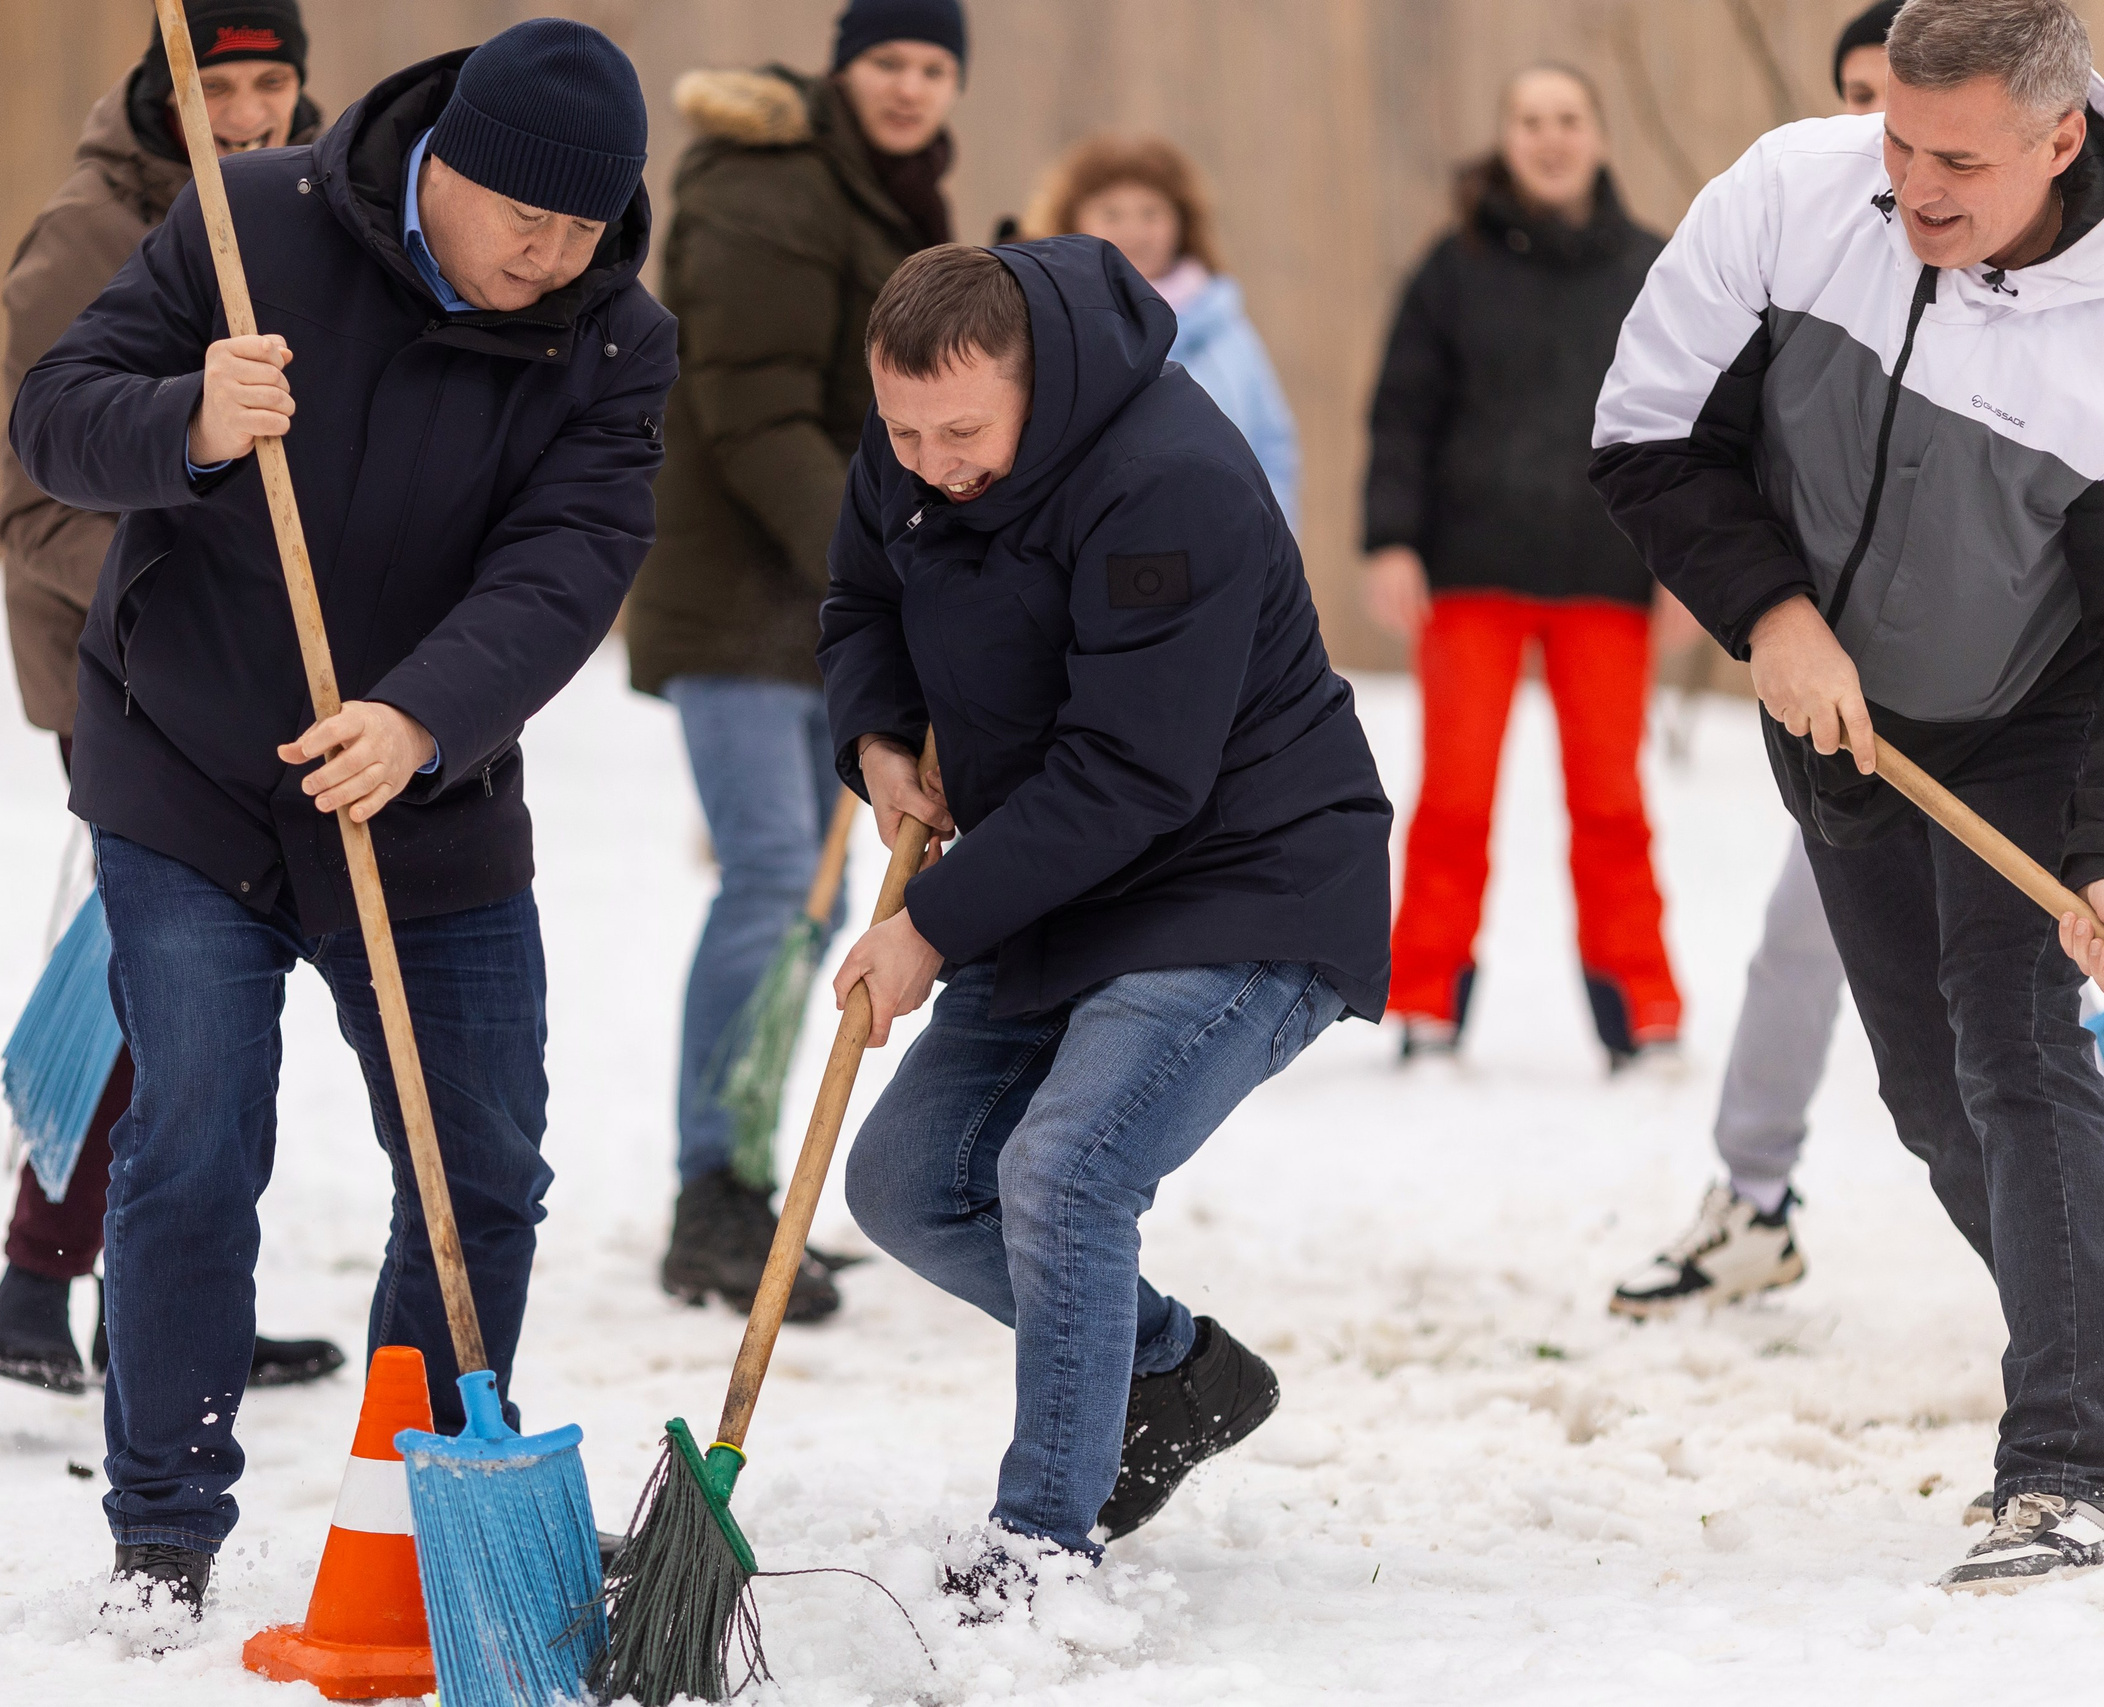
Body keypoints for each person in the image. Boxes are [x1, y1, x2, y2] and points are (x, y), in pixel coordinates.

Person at [10, 19, 677, 1612]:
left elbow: (573, 558)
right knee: (199, 1133)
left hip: (421, 789)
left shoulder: (611, 339)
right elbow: (53, 420)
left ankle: (417, 1503)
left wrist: (427, 714)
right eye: (530, 215)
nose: (555, 251)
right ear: (449, 165)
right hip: (194, 772)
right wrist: (185, 416)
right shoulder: (252, 224)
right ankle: (163, 1523)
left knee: (484, 1165)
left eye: (587, 227)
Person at [1592, 0, 2104, 1591]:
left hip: (2043, 709)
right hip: (1826, 702)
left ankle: (2068, 1461)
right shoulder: (1790, 194)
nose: (1914, 188)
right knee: (1934, 1098)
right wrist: (1773, 610)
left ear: (2063, 136)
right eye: (1895, 136)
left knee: (2018, 1054)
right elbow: (1644, 431)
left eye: (1959, 159)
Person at [821, 239, 1391, 1604]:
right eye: (903, 431)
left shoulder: (1165, 480)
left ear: (1039, 381)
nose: (928, 460)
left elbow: (1137, 770)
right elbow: (859, 603)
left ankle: (1037, 1543)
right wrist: (879, 738)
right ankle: (1175, 1367)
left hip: (1241, 879)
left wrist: (930, 926)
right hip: (1056, 878)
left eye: (960, 432)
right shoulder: (915, 436)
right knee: (905, 1182)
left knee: (1065, 1173)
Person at [0, 0, 343, 1400]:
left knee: (183, 976)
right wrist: (195, 576)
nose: (248, 112)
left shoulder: (304, 212)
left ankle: (144, 1297)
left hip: (249, 658)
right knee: (161, 971)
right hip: (116, 650)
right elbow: (36, 502)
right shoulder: (88, 234)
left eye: (273, 79)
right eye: (219, 85)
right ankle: (51, 1275)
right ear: (162, 90)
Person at [626, 0, 968, 1325]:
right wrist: (880, 565)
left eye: (935, 66)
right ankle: (710, 1185)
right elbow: (753, 401)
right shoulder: (774, 183)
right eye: (889, 58)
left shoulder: (893, 198)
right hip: (739, 596)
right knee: (773, 874)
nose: (911, 85)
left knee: (810, 898)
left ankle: (750, 1172)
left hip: (818, 601)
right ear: (842, 66)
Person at [1608, 1, 1905, 1321]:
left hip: (2033, 700)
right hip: (1852, 687)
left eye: (1901, 99)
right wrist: (1763, 601)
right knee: (1801, 938)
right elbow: (1679, 447)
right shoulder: (1791, 257)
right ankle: (1755, 1199)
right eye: (1856, 94)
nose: (1878, 128)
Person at [1363, 63, 1680, 1072]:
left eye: (1567, 119)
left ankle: (1642, 1009)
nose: (1550, 138)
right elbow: (1400, 413)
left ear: (1597, 135)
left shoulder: (1653, 266)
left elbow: (1694, 424)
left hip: (1608, 569)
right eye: (1530, 121)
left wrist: (1687, 564)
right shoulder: (1450, 268)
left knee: (1611, 804)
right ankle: (1423, 1000)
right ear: (1505, 140)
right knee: (1454, 798)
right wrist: (1390, 539)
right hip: (1471, 571)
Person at [1024, 131, 1301, 532]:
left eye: (1151, 213)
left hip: (1226, 551)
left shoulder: (1227, 328)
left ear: (1181, 222)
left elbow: (1272, 446)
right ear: (1071, 219)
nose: (1134, 231)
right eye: (1111, 213)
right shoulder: (1047, 326)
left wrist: (1273, 547)